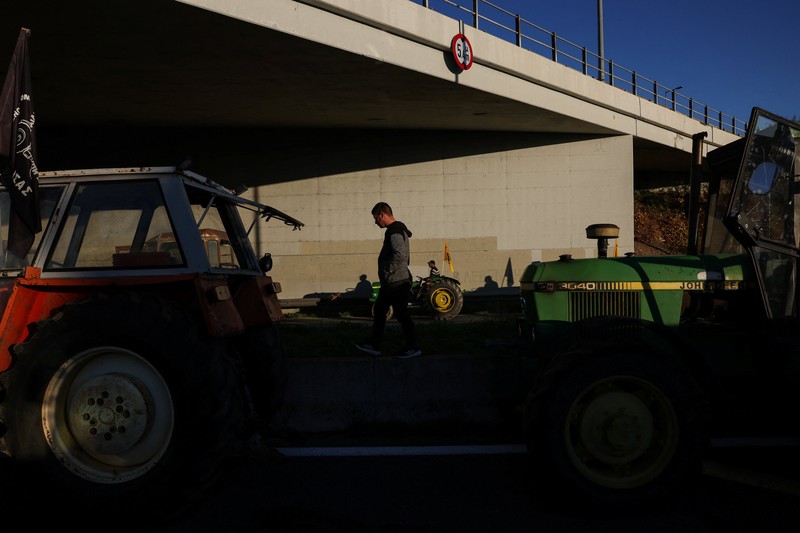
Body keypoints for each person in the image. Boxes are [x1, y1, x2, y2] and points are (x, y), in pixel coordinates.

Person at [355, 202, 422, 359]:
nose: (375, 222)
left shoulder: (394, 232)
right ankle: (374, 344)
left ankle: (413, 347)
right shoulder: (397, 230)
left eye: (375, 218)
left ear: (382, 215)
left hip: (396, 282)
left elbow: (400, 255)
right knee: (380, 311)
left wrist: (386, 270)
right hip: (393, 281)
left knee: (400, 314)